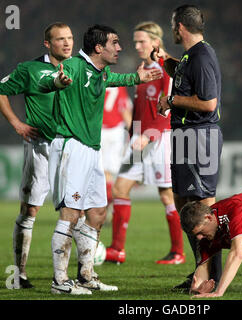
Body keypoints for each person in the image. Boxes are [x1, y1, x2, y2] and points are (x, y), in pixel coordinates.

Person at [39, 24, 162, 295]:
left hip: (92, 150)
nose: (120, 48)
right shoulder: (72, 66)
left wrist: (136, 78)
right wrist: (57, 82)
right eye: (114, 43)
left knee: (97, 213)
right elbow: (48, 80)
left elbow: (112, 80)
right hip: (71, 146)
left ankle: (86, 276)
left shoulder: (101, 71)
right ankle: (59, 282)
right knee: (71, 214)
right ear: (98, 48)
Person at [0, 22, 74, 289]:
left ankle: (77, 275)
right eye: (60, 39)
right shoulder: (30, 69)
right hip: (41, 148)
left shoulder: (80, 67)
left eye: (70, 38)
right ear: (47, 44)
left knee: (77, 211)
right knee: (30, 210)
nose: (67, 43)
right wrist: (17, 123)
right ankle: (20, 273)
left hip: (72, 148)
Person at [105, 21, 185, 265]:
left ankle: (178, 252)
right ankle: (117, 249)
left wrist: (148, 135)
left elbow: (166, 109)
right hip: (139, 139)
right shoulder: (142, 69)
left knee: (167, 195)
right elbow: (140, 111)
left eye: (141, 41)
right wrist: (133, 135)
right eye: (136, 41)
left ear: (155, 43)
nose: (136, 45)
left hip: (159, 139)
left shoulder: (165, 70)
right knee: (120, 189)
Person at [155, 4, 223, 289]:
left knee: (203, 205)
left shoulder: (202, 56)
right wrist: (166, 60)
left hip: (199, 137)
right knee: (185, 204)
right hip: (186, 135)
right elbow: (184, 75)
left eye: (173, 25)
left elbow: (208, 103)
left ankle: (212, 275)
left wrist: (170, 101)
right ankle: (201, 270)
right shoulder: (189, 56)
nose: (172, 29)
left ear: (179, 26)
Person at [101, 86, 133, 208]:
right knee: (110, 172)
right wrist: (133, 133)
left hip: (99, 130)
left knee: (102, 171)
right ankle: (108, 204)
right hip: (116, 131)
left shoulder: (96, 82)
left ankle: (104, 204)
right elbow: (124, 109)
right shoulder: (119, 86)